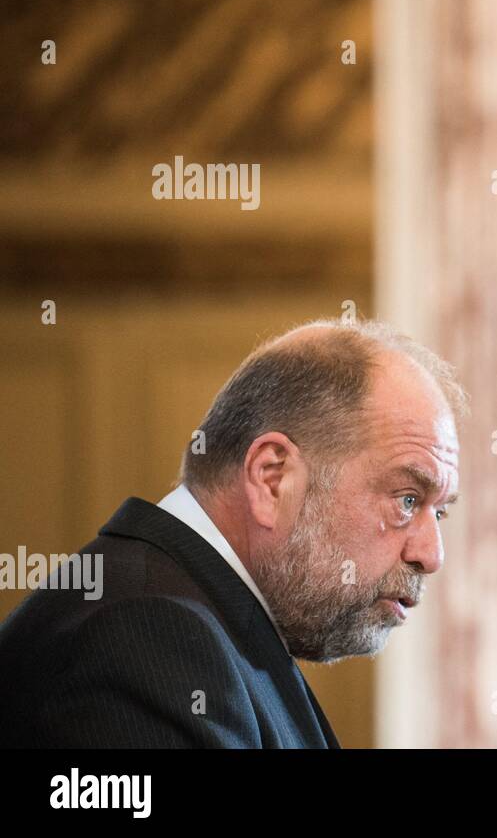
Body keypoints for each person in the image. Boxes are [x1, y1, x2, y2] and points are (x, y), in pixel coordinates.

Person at [0, 319, 465, 747]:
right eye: (407, 499)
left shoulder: (203, 624)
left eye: (439, 513)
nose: (431, 554)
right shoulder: (146, 636)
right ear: (272, 478)